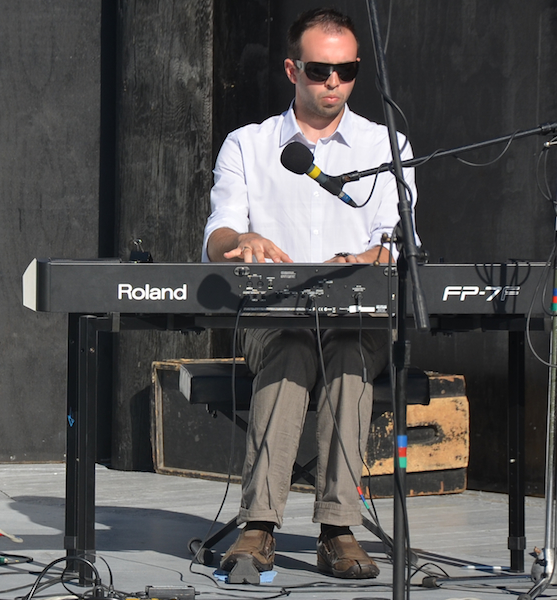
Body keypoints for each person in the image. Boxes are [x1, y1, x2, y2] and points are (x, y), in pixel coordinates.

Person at [202, 8, 418, 582]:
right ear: (292, 69)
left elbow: (399, 242)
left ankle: (338, 529)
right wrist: (240, 239)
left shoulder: (387, 146)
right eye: (320, 69)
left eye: (345, 71)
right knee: (296, 344)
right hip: (273, 319)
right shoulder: (248, 145)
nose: (333, 82)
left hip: (358, 322)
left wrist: (373, 256)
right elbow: (217, 234)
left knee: (345, 351)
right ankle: (259, 525)